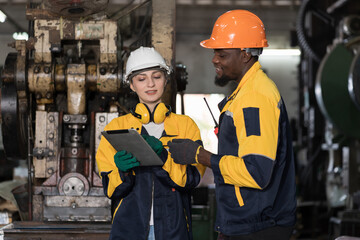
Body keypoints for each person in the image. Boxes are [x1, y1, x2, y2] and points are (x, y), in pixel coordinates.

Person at [167, 10, 297, 240]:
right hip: (245, 222)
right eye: (215, 52)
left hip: (258, 225)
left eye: (222, 53)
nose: (214, 59)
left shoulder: (255, 99)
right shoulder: (245, 93)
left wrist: (199, 155)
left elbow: (256, 172)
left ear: (245, 55)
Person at [96, 46, 206, 240]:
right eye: (141, 79)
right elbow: (111, 189)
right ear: (131, 85)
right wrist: (122, 171)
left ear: (165, 79)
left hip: (173, 229)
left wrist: (163, 157)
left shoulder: (185, 126)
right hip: (129, 229)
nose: (150, 84)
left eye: (156, 76)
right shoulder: (117, 128)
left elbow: (193, 178)